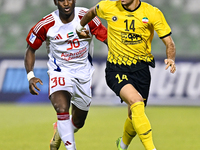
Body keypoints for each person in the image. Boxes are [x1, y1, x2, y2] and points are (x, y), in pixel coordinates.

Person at [75, 0, 176, 150]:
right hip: (116, 69)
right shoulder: (108, 6)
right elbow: (91, 12)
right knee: (136, 101)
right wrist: (79, 27)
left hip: (141, 70)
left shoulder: (152, 13)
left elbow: (169, 42)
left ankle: (122, 145)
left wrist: (171, 58)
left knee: (134, 116)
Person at [24, 0, 107, 150]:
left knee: (78, 122)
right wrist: (30, 75)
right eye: (62, 0)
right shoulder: (46, 24)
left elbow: (107, 38)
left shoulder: (87, 17)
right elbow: (30, 49)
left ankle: (59, 133)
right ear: (55, 1)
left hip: (84, 74)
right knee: (62, 109)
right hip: (60, 72)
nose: (66, 3)